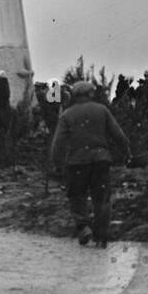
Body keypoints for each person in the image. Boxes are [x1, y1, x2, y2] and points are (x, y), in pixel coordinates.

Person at [51, 80, 132, 247]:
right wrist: (126, 151)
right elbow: (118, 134)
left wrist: (57, 163)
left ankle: (83, 226)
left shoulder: (67, 114)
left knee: (77, 196)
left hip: (77, 162)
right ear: (90, 94)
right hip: (100, 160)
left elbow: (58, 143)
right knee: (101, 198)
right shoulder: (102, 110)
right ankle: (101, 234)